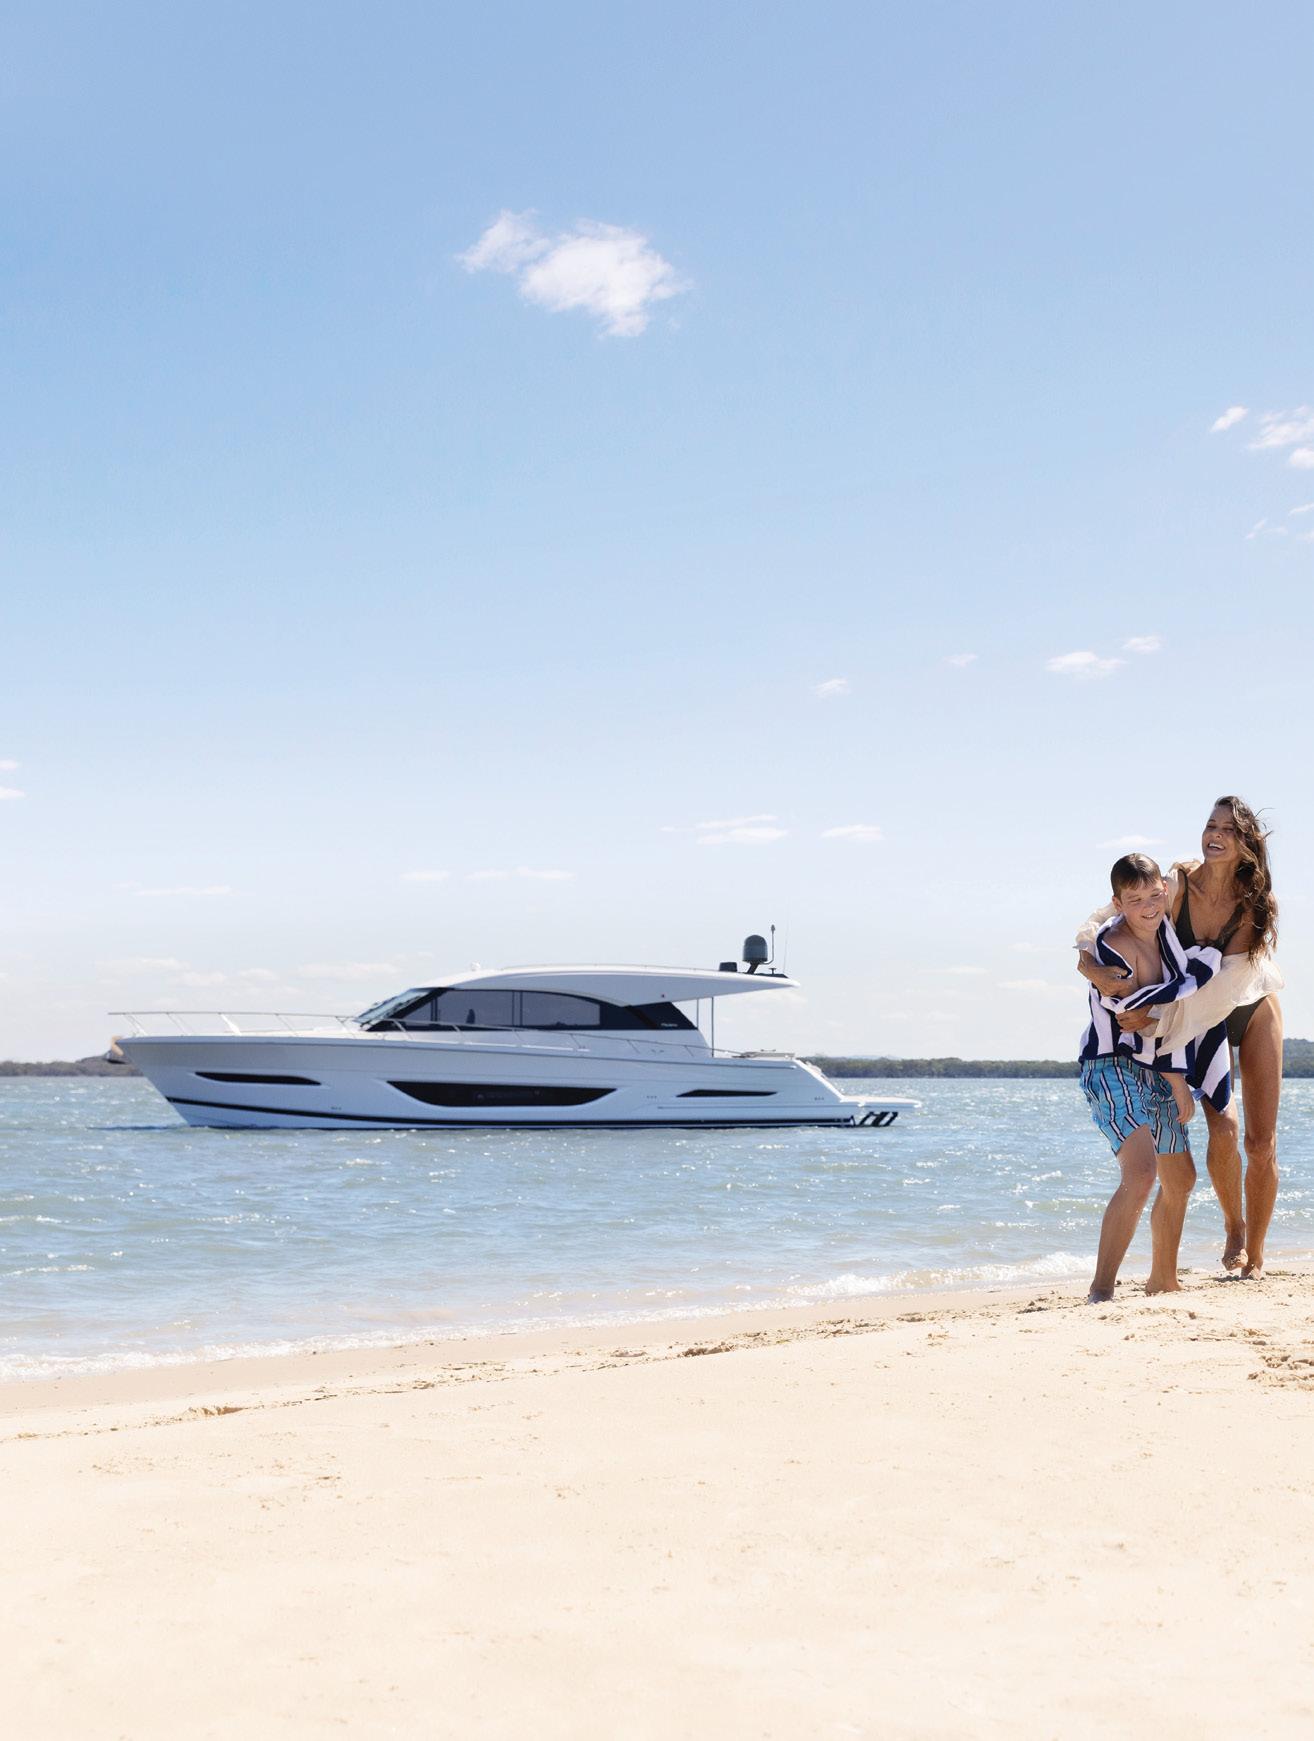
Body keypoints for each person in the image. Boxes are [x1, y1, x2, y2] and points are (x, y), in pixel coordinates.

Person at [1077, 798, 1282, 1279]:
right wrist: (1088, 964)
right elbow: (1108, 915)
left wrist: (1154, 1013)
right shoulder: (1178, 881)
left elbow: (1221, 986)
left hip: (1244, 1003)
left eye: (1228, 829)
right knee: (1222, 1129)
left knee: (1259, 1142)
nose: (1215, 834)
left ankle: (1255, 1254)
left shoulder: (1254, 903)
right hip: (1190, 1009)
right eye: (1211, 825)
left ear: (1247, 842)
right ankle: (1233, 1225)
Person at [1079, 852, 1227, 1302]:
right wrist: (1158, 1003)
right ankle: (1101, 1289)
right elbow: (1128, 1012)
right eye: (1134, 900)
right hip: (1111, 1063)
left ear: (1164, 890)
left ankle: (1162, 1278)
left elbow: (1162, 1013)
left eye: (1153, 896)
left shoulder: (1164, 928)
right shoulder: (1114, 946)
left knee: (1181, 1179)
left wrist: (1177, 1079)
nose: (1147, 907)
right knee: (1142, 1173)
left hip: (1160, 1067)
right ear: (1117, 903)